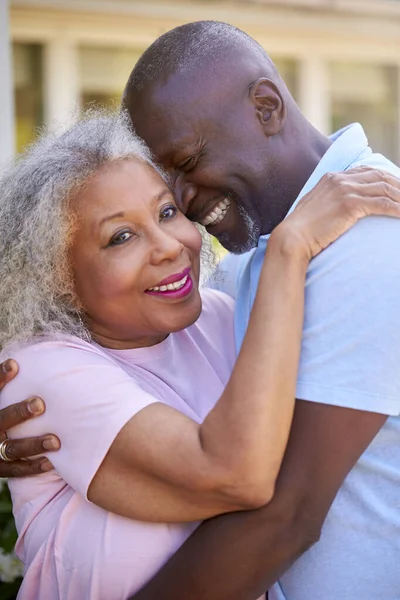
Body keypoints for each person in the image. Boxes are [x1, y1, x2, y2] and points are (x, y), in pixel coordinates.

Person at [2, 20, 400, 600]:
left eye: (183, 170)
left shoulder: (371, 237)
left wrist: (291, 246)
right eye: (122, 234)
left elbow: (281, 515)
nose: (182, 216)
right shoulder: (232, 278)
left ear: (266, 107)